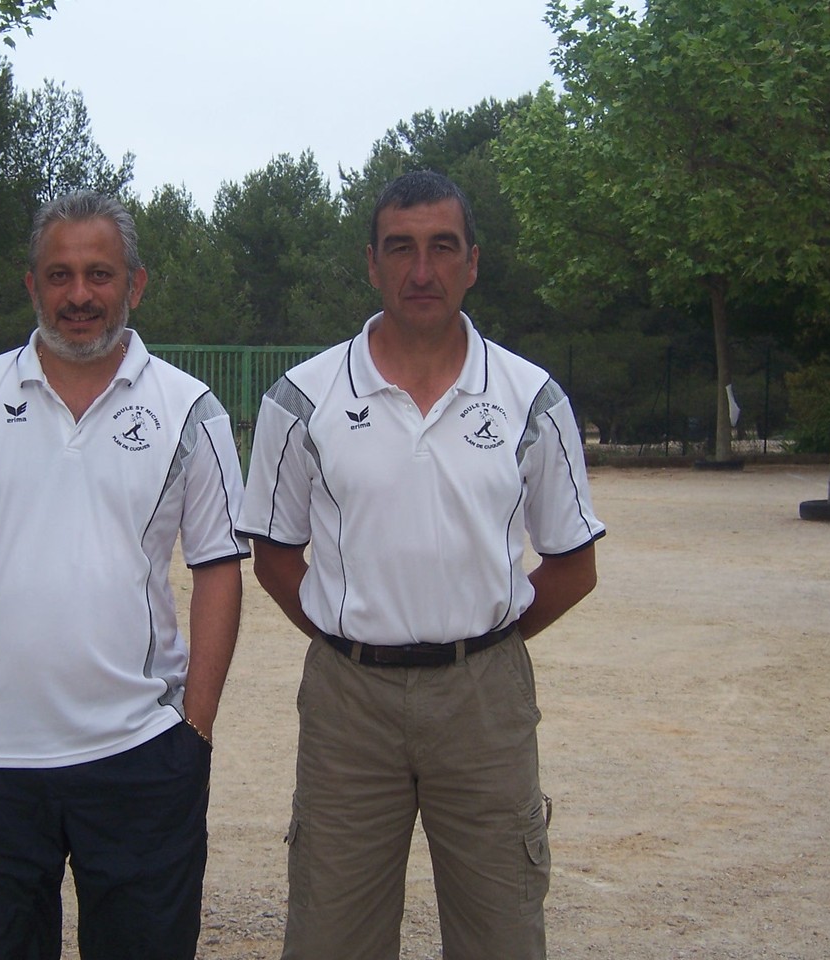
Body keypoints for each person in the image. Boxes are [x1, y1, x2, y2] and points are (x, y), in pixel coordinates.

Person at [0, 190, 249, 960]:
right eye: (60, 275)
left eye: (100, 274)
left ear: (135, 284)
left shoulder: (190, 411)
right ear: (31, 285)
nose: (80, 295)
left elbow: (219, 570)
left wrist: (194, 731)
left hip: (143, 758)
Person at [237, 170, 605, 960]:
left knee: (502, 932)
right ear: (371, 262)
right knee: (331, 935)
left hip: (485, 705)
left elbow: (574, 566)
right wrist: (351, 634)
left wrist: (485, 640)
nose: (422, 270)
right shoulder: (302, 399)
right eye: (400, 248)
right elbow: (273, 556)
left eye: (442, 248)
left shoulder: (531, 398)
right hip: (347, 706)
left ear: (474, 260)